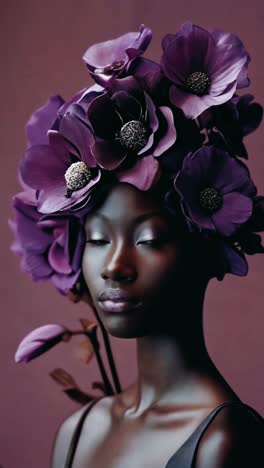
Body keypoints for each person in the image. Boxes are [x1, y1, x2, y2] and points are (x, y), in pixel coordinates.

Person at [10, 21, 264, 468]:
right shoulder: (78, 433)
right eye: (97, 238)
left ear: (205, 247)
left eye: (148, 239)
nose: (113, 265)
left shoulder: (225, 442)